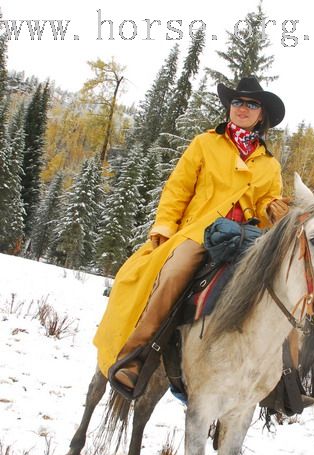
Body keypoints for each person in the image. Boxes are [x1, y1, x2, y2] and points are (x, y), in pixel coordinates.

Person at [93, 76, 288, 394]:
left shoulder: (270, 165)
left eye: (251, 104)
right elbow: (178, 188)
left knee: (276, 291)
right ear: (229, 108)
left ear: (261, 114)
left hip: (245, 241)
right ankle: (135, 356)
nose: (242, 108)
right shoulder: (205, 143)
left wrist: (274, 209)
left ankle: (277, 380)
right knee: (173, 274)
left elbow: (267, 200)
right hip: (201, 232)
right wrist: (165, 226)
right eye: (237, 102)